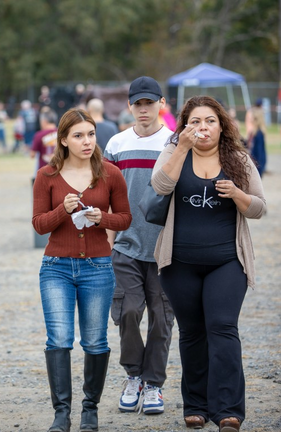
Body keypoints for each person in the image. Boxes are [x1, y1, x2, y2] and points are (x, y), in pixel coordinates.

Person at [150, 95, 266, 432]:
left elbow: (258, 207)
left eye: (210, 121)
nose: (203, 127)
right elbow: (160, 186)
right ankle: (196, 406)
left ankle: (228, 409)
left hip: (226, 263)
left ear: (221, 124)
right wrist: (181, 149)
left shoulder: (239, 159)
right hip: (179, 263)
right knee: (192, 333)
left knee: (223, 328)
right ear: (185, 125)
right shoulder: (173, 153)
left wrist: (238, 195)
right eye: (196, 121)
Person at [32, 108, 132, 432]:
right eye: (78, 136)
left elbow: (126, 219)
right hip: (56, 268)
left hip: (98, 268)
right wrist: (62, 210)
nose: (87, 141)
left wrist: (103, 219)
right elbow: (38, 225)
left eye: (90, 134)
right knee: (58, 340)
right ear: (63, 140)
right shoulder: (47, 176)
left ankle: (90, 410)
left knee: (95, 341)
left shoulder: (110, 174)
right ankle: (62, 414)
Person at [104, 76, 175, 416]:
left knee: (161, 319)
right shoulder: (116, 145)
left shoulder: (174, 144)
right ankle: (133, 375)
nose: (144, 109)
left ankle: (154, 385)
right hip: (127, 246)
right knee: (128, 312)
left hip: (165, 248)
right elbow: (105, 197)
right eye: (138, 104)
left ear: (161, 104)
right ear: (129, 106)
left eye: (150, 102)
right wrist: (108, 243)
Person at [30, 107, 58, 173]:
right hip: (60, 171)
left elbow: (32, 155)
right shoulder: (62, 133)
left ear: (44, 121)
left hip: (44, 171)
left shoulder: (39, 135)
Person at [245, 99, 267, 176]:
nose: (250, 119)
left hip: (257, 167)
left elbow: (259, 154)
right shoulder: (254, 133)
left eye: (252, 118)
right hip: (254, 166)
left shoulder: (259, 134)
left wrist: (258, 169)